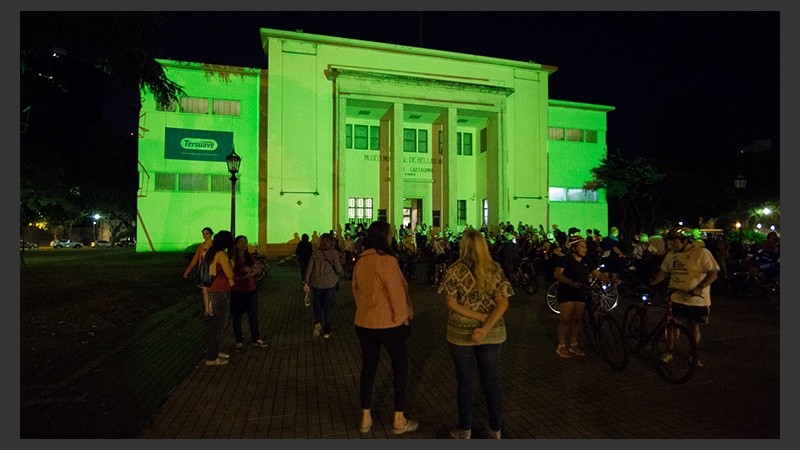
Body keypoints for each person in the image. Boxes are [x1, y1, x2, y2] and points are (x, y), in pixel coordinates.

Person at [437, 228, 512, 439]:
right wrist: (486, 325)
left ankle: (465, 431)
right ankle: (496, 430)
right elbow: (503, 302)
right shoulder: (495, 269)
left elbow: (451, 303)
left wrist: (477, 320)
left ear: (464, 246)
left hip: (460, 333)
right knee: (491, 380)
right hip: (493, 333)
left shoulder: (454, 270)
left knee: (465, 381)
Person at [351, 221, 417, 436]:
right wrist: (404, 319)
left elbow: (356, 291)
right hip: (389, 323)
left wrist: (364, 310)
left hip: (364, 322)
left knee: (369, 367)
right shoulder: (386, 261)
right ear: (384, 236)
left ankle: (365, 417)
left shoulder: (361, 261)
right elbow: (396, 294)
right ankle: (398, 418)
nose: (392, 236)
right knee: (400, 366)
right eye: (390, 233)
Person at [649, 226, 720, 368]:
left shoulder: (701, 253)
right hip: (676, 297)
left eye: (675, 241)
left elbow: (713, 273)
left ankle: (693, 355)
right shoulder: (671, 254)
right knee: (673, 327)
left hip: (697, 300)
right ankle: (669, 352)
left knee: (694, 328)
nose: (672, 244)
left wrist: (700, 287)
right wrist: (651, 283)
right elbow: (663, 272)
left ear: (686, 240)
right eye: (670, 242)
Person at [554, 235, 610, 358]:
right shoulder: (565, 260)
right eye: (582, 246)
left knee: (577, 320)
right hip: (567, 293)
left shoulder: (586, 261)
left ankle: (574, 343)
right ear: (574, 247)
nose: (585, 249)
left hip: (581, 293)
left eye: (586, 246)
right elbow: (557, 274)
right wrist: (571, 283)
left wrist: (608, 279)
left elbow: (596, 273)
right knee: (565, 319)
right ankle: (561, 345)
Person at [203, 230, 236, 366]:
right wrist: (232, 265)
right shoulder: (221, 255)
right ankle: (212, 357)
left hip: (213, 289)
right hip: (221, 290)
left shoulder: (211, 252)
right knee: (220, 324)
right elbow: (229, 274)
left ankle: (215, 351)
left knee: (217, 323)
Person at [230, 235, 268, 351]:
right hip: (237, 291)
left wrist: (251, 271)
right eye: (240, 242)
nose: (243, 244)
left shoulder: (249, 257)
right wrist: (241, 275)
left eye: (245, 242)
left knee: (253, 315)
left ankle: (255, 338)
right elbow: (229, 275)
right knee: (237, 316)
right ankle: (239, 341)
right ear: (236, 244)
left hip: (250, 290)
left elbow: (259, 269)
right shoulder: (232, 258)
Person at [303, 233, 343, 338]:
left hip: (316, 283)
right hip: (330, 283)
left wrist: (306, 281)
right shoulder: (334, 253)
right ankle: (327, 330)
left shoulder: (315, 253)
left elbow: (309, 268)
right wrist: (340, 274)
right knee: (328, 305)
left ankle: (317, 323)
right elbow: (338, 269)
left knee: (317, 303)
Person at [183, 227, 214, 320]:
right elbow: (195, 259)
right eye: (203, 233)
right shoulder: (202, 246)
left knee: (211, 290)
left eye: (207, 233)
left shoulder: (214, 245)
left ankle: (211, 309)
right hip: (204, 270)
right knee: (205, 290)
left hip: (212, 270)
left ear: (211, 234)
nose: (205, 235)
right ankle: (207, 310)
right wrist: (188, 271)